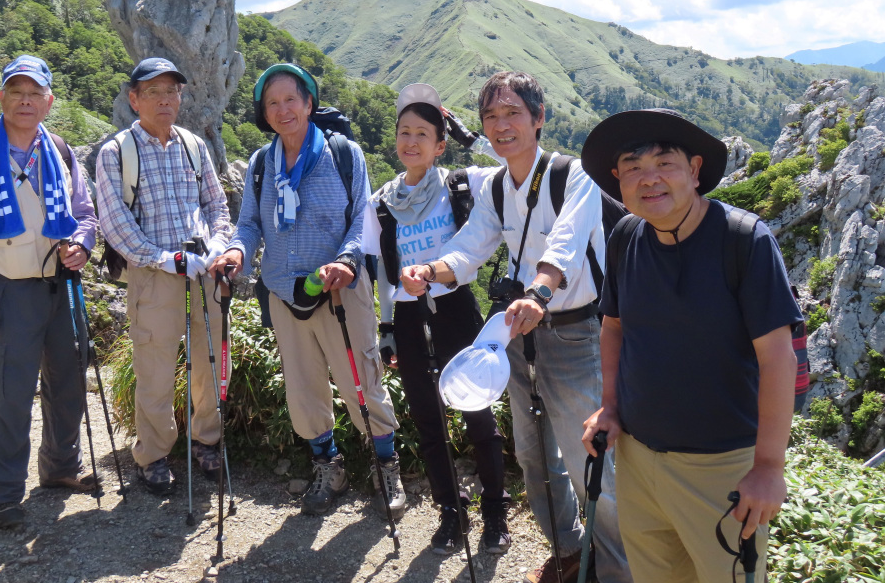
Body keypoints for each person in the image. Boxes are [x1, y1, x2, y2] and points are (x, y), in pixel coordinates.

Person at [402, 70, 631, 583]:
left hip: (576, 334)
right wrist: (430, 271)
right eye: (491, 116)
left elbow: (565, 245)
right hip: (519, 335)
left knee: (589, 461)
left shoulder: (574, 175)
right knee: (533, 457)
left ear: (538, 118)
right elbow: (470, 247)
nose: (501, 125)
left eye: (512, 113)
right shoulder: (495, 187)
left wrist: (539, 293)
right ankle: (569, 552)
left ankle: (616, 570)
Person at [579, 109, 801, 583]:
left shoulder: (743, 240)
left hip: (721, 469)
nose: (649, 178)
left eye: (665, 163)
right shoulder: (626, 236)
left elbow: (778, 357)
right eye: (633, 167)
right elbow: (614, 327)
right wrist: (609, 407)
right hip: (637, 458)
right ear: (618, 179)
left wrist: (768, 466)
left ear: (695, 170)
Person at [210, 63, 405, 520]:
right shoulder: (262, 163)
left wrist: (347, 261)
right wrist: (237, 250)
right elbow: (249, 223)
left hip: (340, 290)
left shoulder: (343, 154)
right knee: (303, 389)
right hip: (283, 291)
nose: (283, 110)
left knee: (362, 384)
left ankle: (386, 466)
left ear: (309, 103)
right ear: (264, 113)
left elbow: (362, 219)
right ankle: (328, 466)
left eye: (291, 100)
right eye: (272, 103)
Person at [0, 55, 98, 530]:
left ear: (48, 102)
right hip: (6, 289)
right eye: (17, 92)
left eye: (35, 94)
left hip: (61, 285)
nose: (26, 101)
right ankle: (4, 494)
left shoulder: (61, 152)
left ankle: (61, 468)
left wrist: (82, 245)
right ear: (2, 98)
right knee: (8, 394)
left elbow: (84, 214)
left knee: (68, 382)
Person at [363, 83, 510, 555]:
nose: (411, 142)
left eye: (422, 134)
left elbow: (515, 167)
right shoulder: (381, 202)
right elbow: (383, 273)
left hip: (455, 310)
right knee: (428, 421)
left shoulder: (462, 183)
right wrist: (387, 328)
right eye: (404, 132)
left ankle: (495, 511)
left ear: (440, 145)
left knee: (477, 413)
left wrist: (471, 138)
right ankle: (451, 511)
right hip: (408, 319)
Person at [95, 57, 232, 495]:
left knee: (211, 360)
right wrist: (164, 259)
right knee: (154, 367)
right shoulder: (117, 153)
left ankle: (206, 440)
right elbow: (115, 224)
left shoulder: (194, 145)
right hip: (153, 275)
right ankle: (153, 454)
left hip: (204, 268)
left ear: (181, 97)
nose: (164, 100)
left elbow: (216, 203)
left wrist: (218, 242)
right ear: (134, 100)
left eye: (171, 91)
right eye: (153, 92)